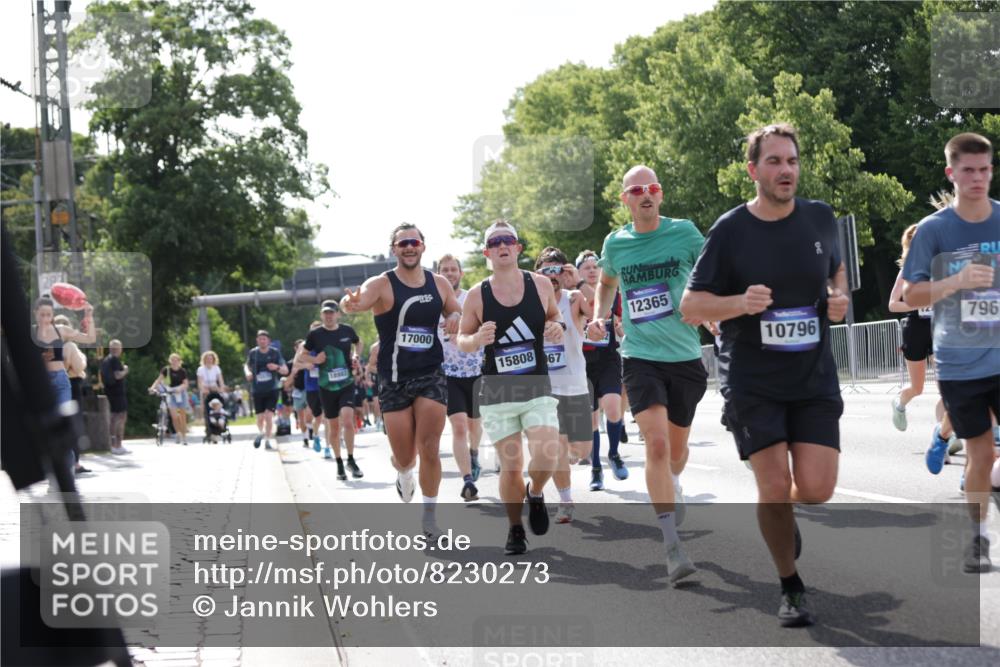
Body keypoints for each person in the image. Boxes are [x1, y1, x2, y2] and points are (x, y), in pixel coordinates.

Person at [682, 124, 849, 626]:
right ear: (753, 170)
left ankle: (784, 515)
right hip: (753, 379)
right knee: (774, 487)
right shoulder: (730, 230)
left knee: (815, 489)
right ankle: (790, 584)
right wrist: (740, 302)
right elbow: (691, 306)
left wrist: (838, 297)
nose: (785, 170)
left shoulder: (820, 217)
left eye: (792, 161)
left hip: (813, 377)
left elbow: (837, 270)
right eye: (774, 161)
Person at [588, 165, 709, 586]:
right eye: (637, 189)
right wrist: (600, 315)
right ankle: (672, 545)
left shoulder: (685, 233)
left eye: (652, 188)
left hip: (685, 356)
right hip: (640, 356)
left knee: (676, 451)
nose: (646, 194)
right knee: (655, 444)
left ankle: (673, 480)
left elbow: (713, 272)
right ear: (625, 198)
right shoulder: (616, 243)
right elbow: (606, 282)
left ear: (660, 195)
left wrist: (709, 306)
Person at [901, 131, 999, 573]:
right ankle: (978, 540)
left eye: (984, 169)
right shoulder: (934, 230)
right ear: (951, 173)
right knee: (981, 454)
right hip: (960, 364)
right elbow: (910, 294)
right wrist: (956, 281)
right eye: (968, 170)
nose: (977, 178)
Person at [342, 222, 462, 539]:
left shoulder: (439, 283)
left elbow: (455, 310)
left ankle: (430, 519)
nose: (409, 247)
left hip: (430, 374)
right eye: (402, 243)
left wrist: (454, 316)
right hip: (393, 379)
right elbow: (358, 300)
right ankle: (404, 472)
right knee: (407, 456)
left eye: (414, 242)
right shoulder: (381, 283)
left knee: (430, 447)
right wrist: (349, 304)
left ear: (423, 246)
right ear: (394, 249)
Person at [457, 220, 564, 554]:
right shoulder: (477, 295)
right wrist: (477, 338)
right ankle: (515, 528)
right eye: (495, 242)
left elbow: (555, 316)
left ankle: (536, 493)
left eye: (508, 240)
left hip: (536, 387)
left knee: (547, 454)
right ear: (487, 253)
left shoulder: (541, 285)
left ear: (518, 248)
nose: (502, 245)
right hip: (497, 392)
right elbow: (462, 340)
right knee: (512, 465)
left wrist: (557, 327)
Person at [888, 226, 961, 456]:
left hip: (940, 329)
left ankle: (944, 438)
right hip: (916, 330)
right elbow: (892, 304)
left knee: (945, 388)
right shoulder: (908, 270)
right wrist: (918, 303)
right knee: (917, 388)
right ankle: (900, 403)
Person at [536, 247, 593, 524]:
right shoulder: (531, 303)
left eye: (556, 269)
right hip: (545, 388)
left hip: (575, 383)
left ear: (564, 271)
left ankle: (572, 455)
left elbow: (599, 311)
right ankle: (566, 501)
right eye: (545, 270)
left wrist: (579, 281)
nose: (551, 276)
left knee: (582, 450)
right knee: (557, 446)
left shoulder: (574, 298)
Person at [436, 253, 485, 501]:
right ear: (438, 275)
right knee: (458, 426)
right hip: (448, 375)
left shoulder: (472, 299)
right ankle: (467, 481)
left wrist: (467, 339)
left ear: (460, 273)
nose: (449, 273)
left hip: (475, 372)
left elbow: (485, 331)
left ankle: (474, 453)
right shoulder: (432, 305)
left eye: (453, 269)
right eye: (444, 270)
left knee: (475, 425)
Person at [296, 300, 365, 479]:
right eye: (325, 313)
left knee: (348, 421)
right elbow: (302, 355)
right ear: (321, 315)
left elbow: (359, 343)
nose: (329, 316)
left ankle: (351, 459)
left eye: (332, 313)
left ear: (338, 314)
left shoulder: (347, 330)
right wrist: (315, 360)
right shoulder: (315, 334)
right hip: (326, 386)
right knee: (334, 428)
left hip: (346, 383)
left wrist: (356, 356)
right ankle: (339, 463)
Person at [576, 250, 627, 485]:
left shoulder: (613, 293)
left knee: (614, 407)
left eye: (596, 266)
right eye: (586, 267)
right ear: (578, 272)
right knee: (592, 420)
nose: (592, 270)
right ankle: (596, 468)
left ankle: (614, 454)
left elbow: (622, 324)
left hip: (608, 358)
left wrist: (621, 329)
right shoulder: (573, 298)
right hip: (583, 363)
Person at [55, 315, 92, 475]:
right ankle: (74, 463)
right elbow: (78, 367)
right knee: (73, 425)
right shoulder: (70, 346)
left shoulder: (48, 344)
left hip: (55, 385)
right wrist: (82, 359)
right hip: (72, 384)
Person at [244, 330, 288, 450]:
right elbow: (246, 365)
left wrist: (276, 367)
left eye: (264, 339)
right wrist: (248, 373)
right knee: (260, 418)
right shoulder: (253, 353)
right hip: (257, 390)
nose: (262, 341)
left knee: (268, 416)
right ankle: (261, 433)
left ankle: (267, 440)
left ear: (269, 341)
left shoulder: (275, 353)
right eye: (260, 339)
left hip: (272, 389)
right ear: (257, 340)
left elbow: (285, 370)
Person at [150, 353, 191, 445]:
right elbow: (158, 380)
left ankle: (184, 437)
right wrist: (152, 388)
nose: (174, 362)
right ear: (170, 361)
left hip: (180, 393)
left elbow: (185, 384)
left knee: (182, 416)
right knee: (174, 416)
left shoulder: (182, 371)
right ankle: (178, 433)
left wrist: (179, 389)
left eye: (176, 360)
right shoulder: (166, 370)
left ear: (179, 361)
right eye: (172, 360)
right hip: (170, 393)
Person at [99, 339, 131, 455]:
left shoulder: (106, 360)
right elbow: (117, 375)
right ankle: (118, 445)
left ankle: (113, 445)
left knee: (113, 418)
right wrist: (125, 370)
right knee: (121, 417)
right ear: (119, 349)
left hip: (110, 392)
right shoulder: (114, 360)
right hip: (117, 393)